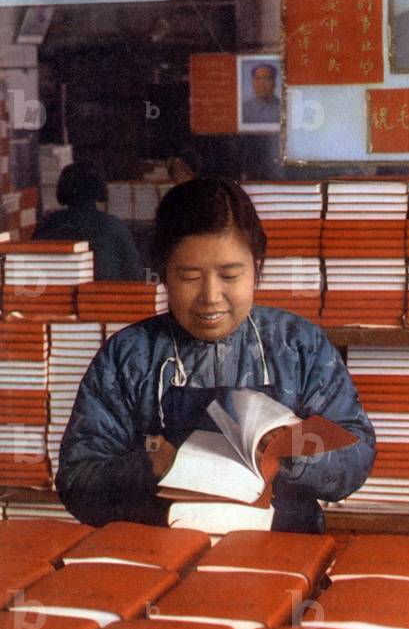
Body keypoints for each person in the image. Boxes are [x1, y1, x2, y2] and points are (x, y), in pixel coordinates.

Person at [57, 176, 375, 531]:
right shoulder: (129, 356)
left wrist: (293, 450)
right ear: (163, 274)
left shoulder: (299, 346)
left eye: (229, 275)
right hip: (159, 562)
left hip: (285, 558)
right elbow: (76, 479)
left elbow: (357, 457)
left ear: (257, 268)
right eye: (189, 277)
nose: (210, 296)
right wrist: (147, 467)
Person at [32, 161, 141, 281]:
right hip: (103, 297)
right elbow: (134, 275)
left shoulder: (47, 224)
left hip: (54, 296)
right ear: (100, 188)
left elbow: (31, 270)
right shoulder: (114, 226)